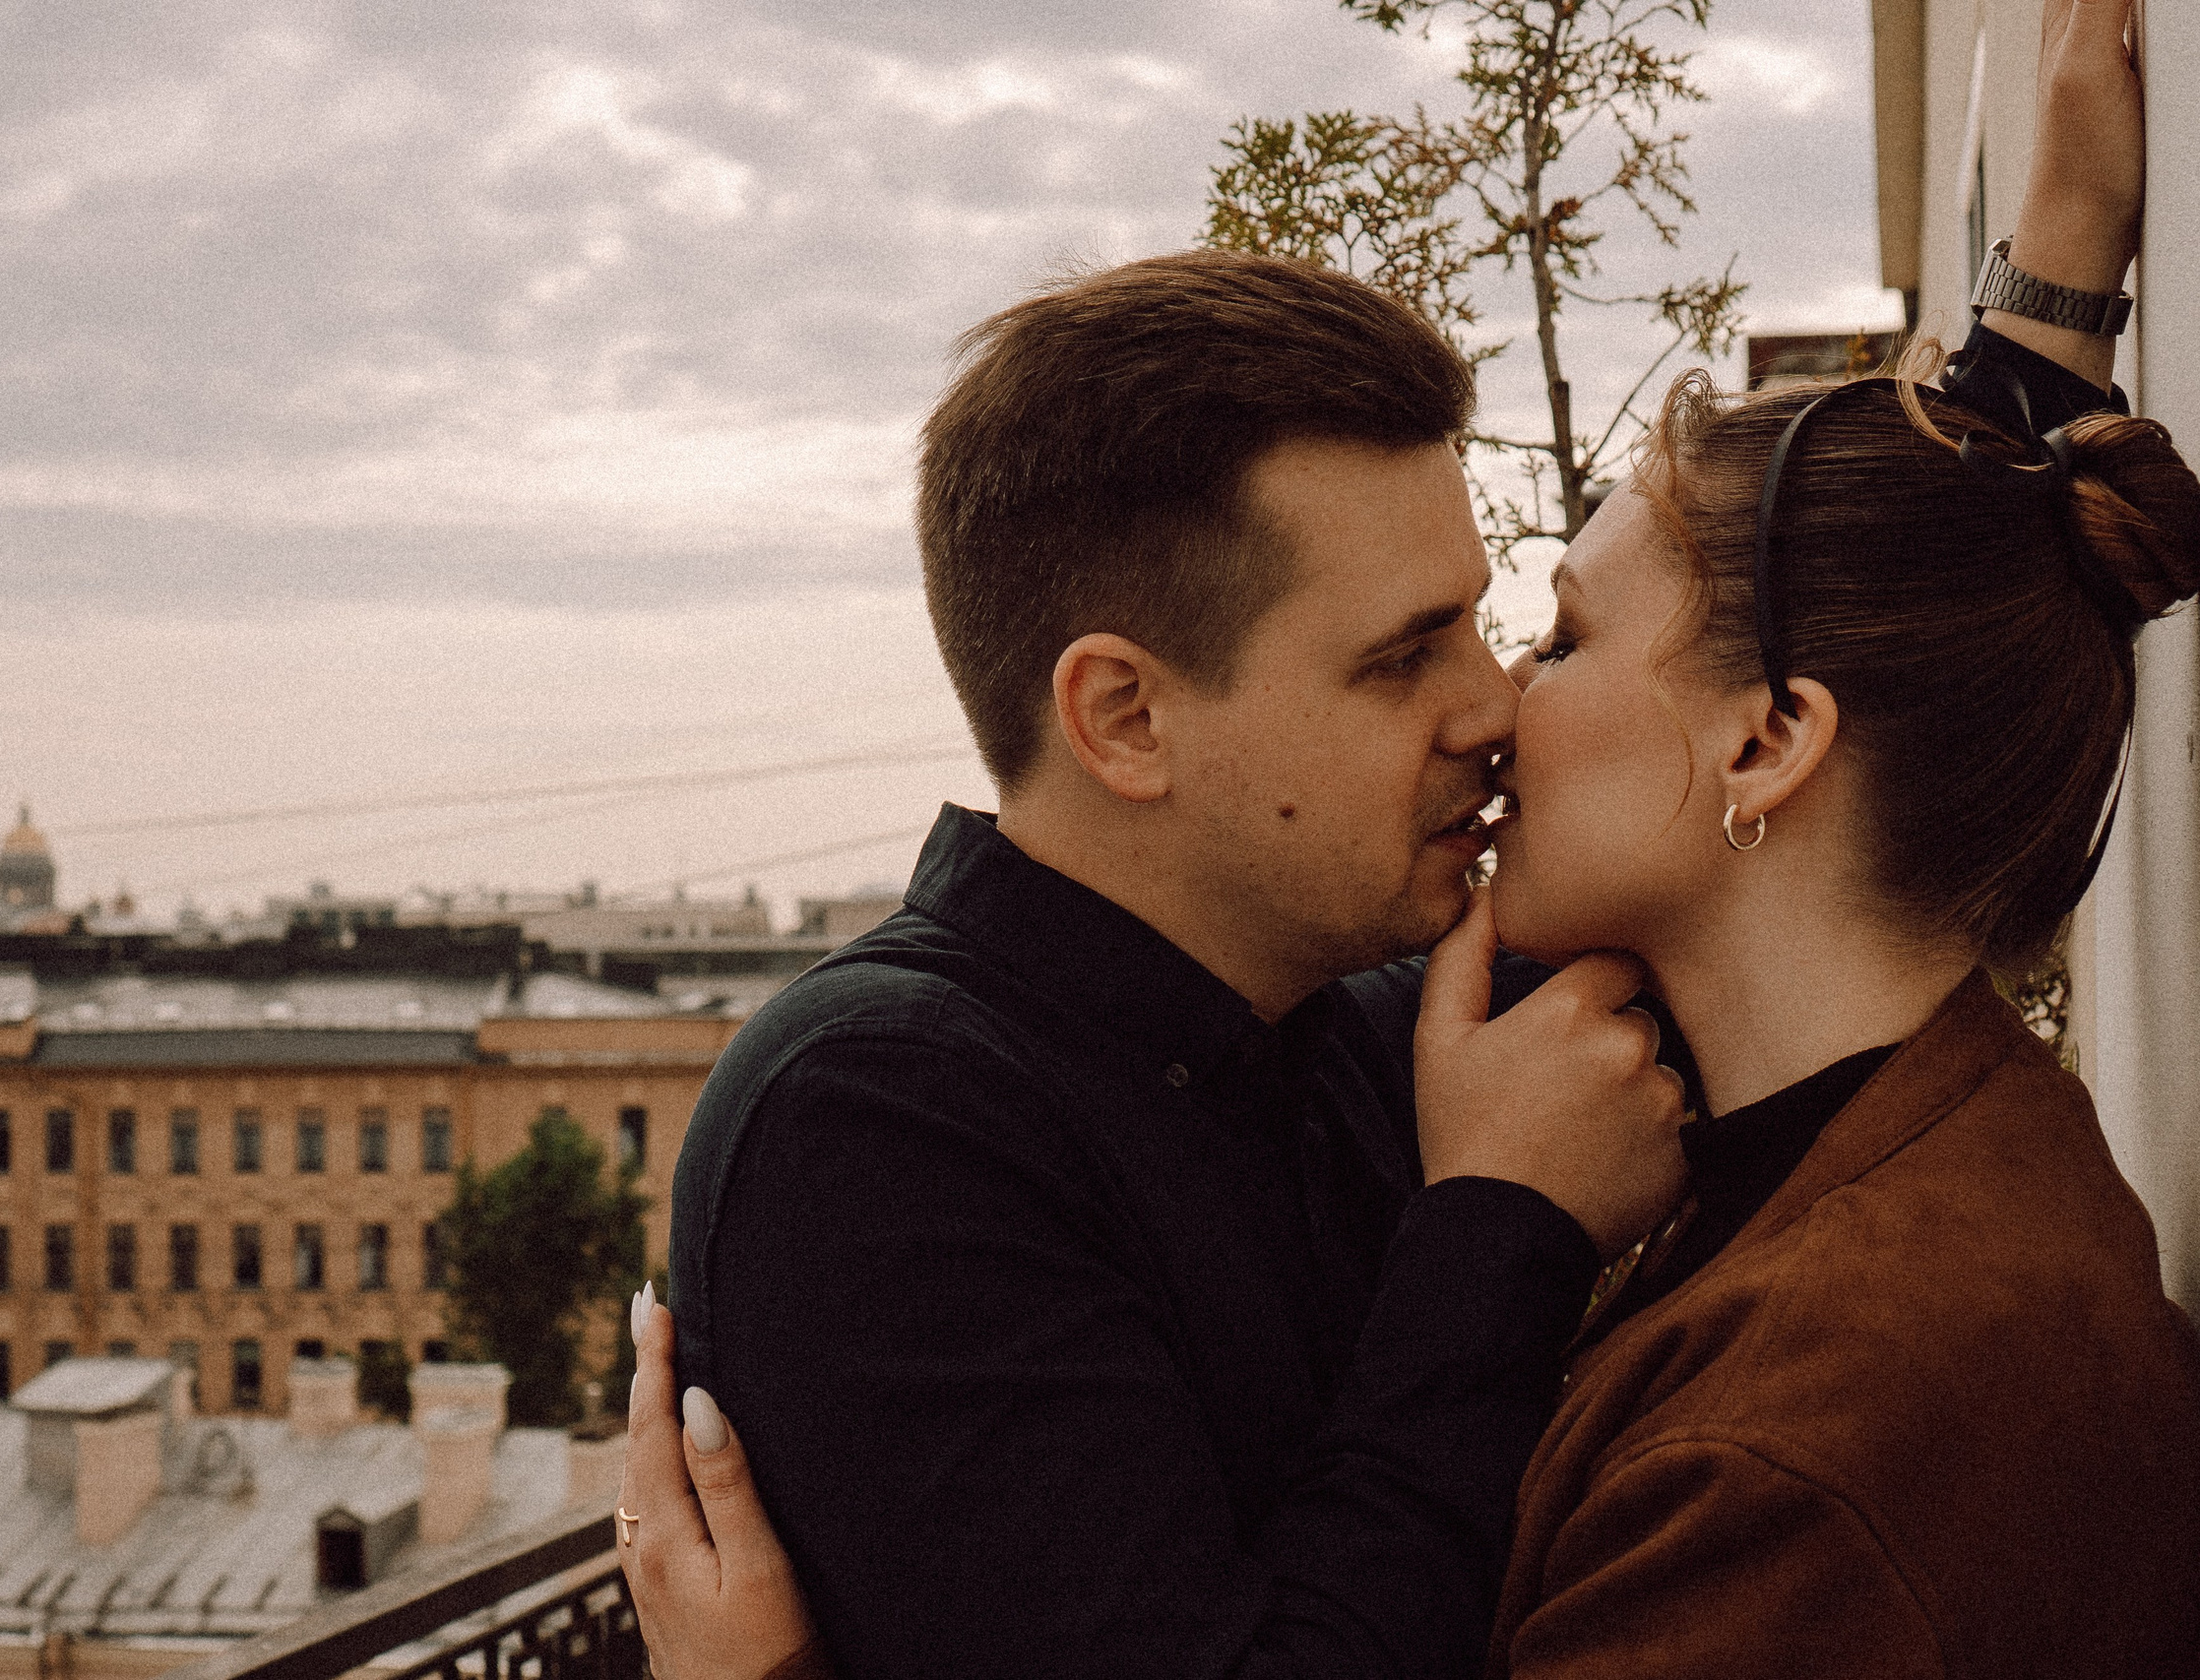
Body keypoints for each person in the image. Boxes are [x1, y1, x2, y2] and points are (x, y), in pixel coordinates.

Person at [619, 1, 2200, 1674]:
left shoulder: (1406, 1022)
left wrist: (2047, 318)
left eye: (1505, 622)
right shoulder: (878, 1128)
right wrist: (1496, 1233)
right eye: (1402, 656)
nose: (1495, 700)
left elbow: (1843, 772)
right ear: (1125, 718)